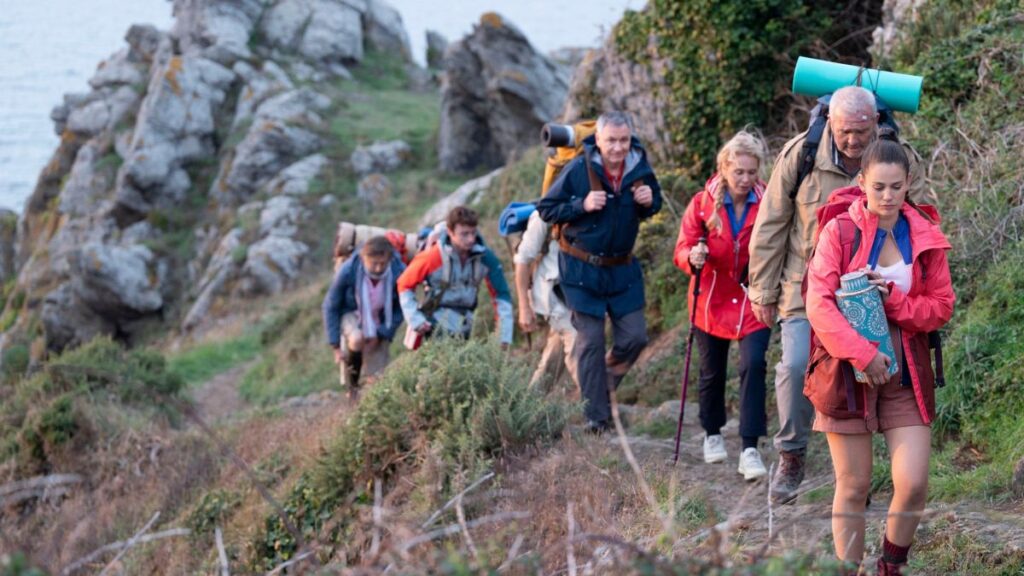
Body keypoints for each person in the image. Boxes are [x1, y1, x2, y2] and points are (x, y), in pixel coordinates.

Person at [747, 85, 938, 503]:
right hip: (806, 285)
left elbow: (910, 217)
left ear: (876, 124)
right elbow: (772, 221)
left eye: (861, 131)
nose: (853, 140)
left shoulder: (890, 156)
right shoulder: (802, 153)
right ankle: (792, 452)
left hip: (870, 291)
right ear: (829, 122)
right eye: (845, 130)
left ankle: (856, 474)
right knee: (797, 366)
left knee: (869, 367)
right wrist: (762, 289)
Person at [804, 136, 954, 574]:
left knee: (913, 484)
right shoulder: (840, 231)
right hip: (846, 370)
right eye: (878, 187)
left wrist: (893, 302)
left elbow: (941, 306)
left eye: (896, 187)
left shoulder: (923, 233)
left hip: (906, 369)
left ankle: (890, 566)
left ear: (909, 182)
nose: (887, 197)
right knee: (853, 486)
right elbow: (819, 302)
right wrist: (862, 355)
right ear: (862, 183)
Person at [536, 111, 662, 433]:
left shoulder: (639, 167)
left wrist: (650, 201)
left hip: (621, 270)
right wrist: (581, 205)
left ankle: (598, 390)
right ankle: (597, 419)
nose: (618, 148)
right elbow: (547, 209)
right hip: (581, 270)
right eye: (611, 141)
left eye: (623, 140)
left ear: (629, 138)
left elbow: (654, 203)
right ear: (599, 140)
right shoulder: (580, 168)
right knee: (590, 342)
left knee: (635, 337)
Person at [673, 130, 772, 480]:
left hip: (752, 300)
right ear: (725, 169)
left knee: (753, 365)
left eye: (751, 172)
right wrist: (693, 256)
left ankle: (749, 448)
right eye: (738, 172)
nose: (745, 180)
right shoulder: (702, 203)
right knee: (711, 371)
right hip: (710, 300)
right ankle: (712, 432)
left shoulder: (768, 202)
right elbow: (681, 248)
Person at [397, 206, 513, 346]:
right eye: (464, 234)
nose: (471, 239)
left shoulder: (486, 258)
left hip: (466, 325)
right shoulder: (433, 257)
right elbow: (404, 284)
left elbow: (501, 294)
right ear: (450, 232)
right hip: (434, 325)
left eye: (473, 233)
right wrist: (415, 319)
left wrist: (504, 336)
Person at [322, 235, 406, 398]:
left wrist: (382, 333)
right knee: (356, 338)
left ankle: (372, 400)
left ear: (390, 258)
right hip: (352, 312)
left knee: (378, 378)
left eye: (383, 263)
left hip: (381, 318)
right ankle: (352, 387)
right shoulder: (349, 270)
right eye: (374, 263)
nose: (378, 268)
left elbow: (401, 306)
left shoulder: (398, 271)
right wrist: (335, 346)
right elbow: (331, 305)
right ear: (363, 258)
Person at [514, 210, 578, 390]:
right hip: (552, 294)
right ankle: (598, 410)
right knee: (578, 342)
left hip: (576, 293)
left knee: (554, 357)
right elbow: (522, 261)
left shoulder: (590, 204)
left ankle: (529, 406)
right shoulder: (544, 215)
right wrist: (524, 308)